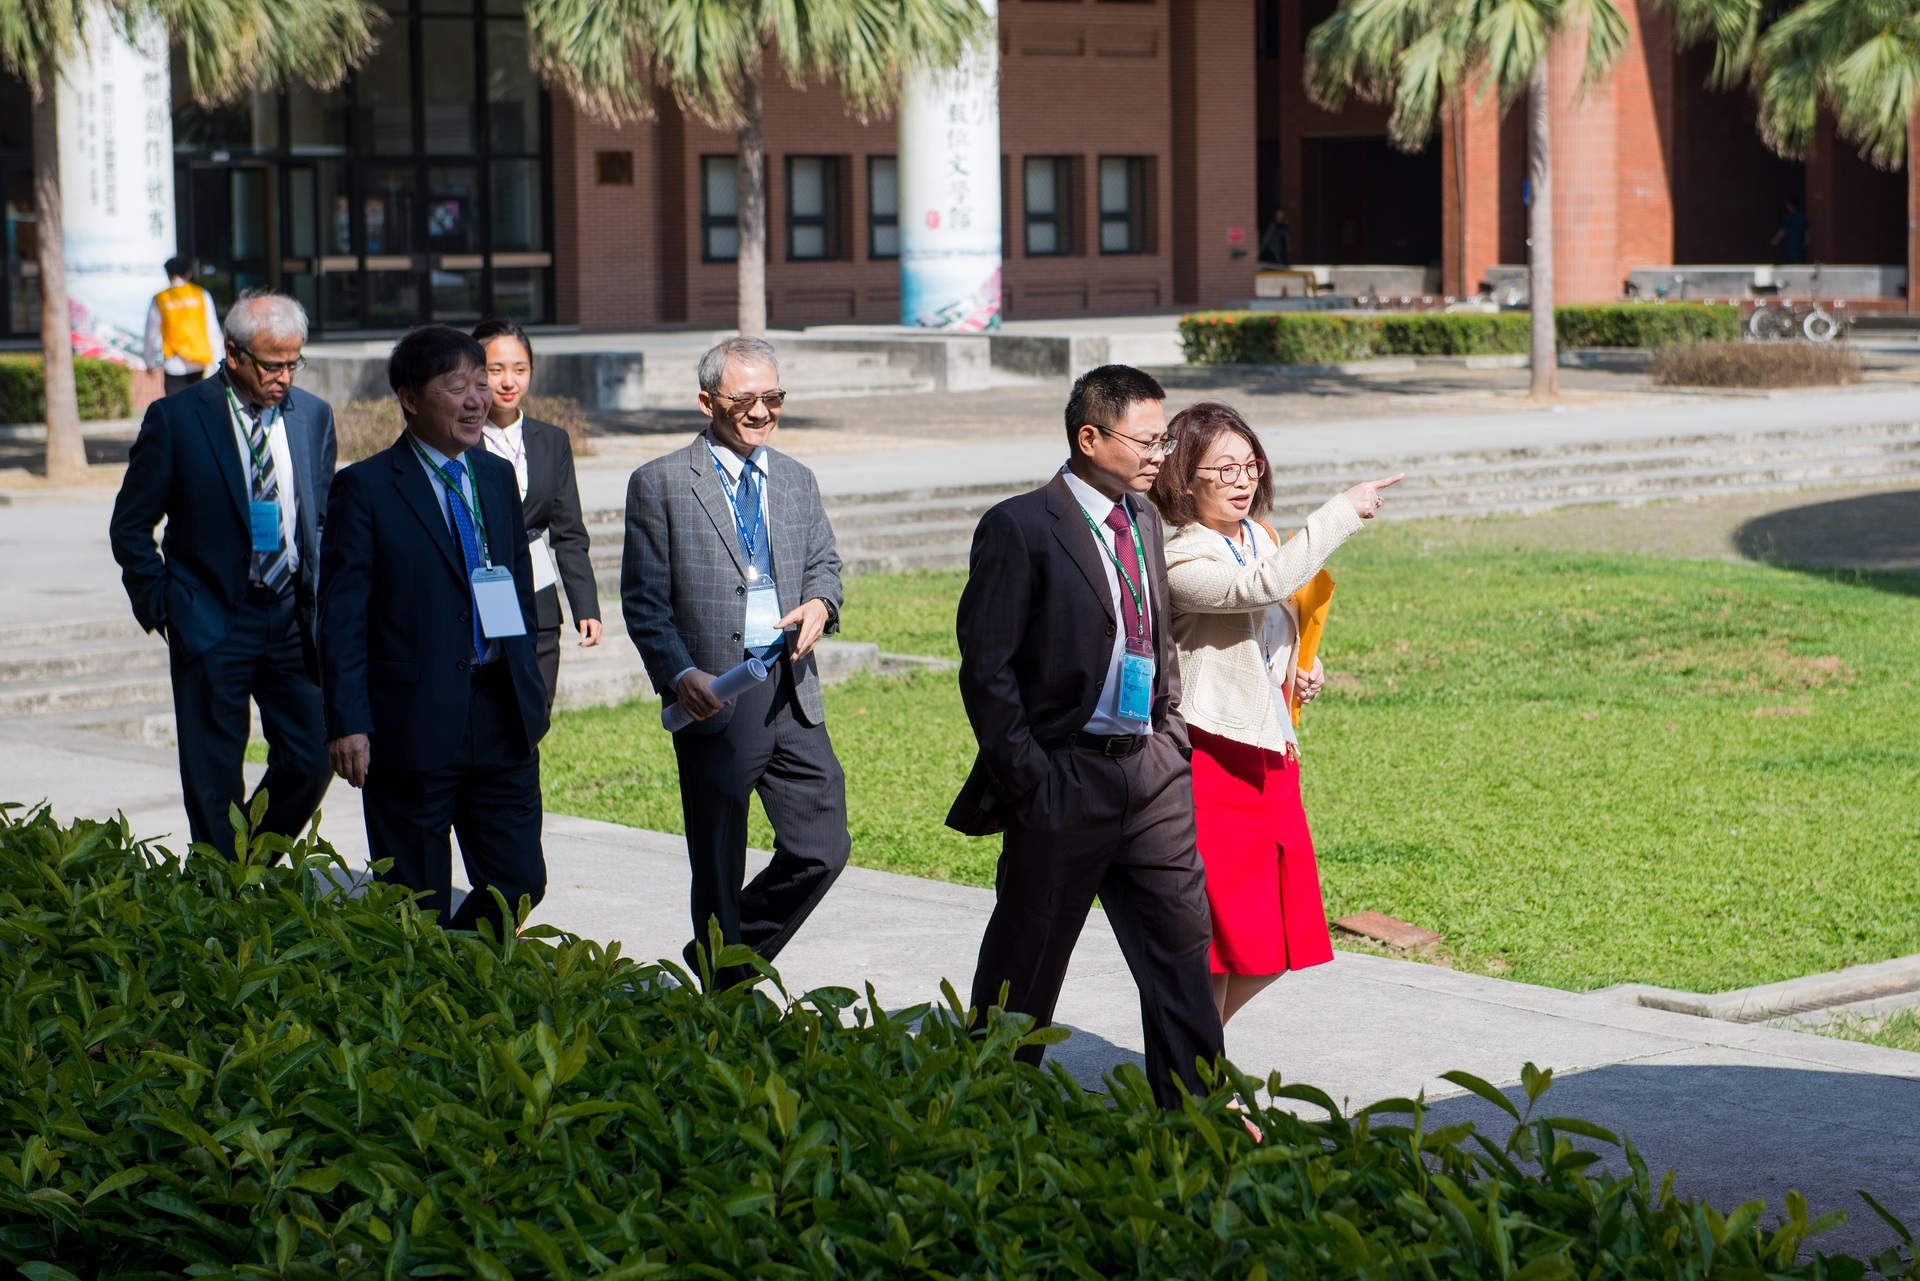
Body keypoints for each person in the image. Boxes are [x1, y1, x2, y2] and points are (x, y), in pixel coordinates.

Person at [948, 364, 1220, 1110]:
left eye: (1164, 437)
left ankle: (1197, 1121)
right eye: (1147, 439)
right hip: (1064, 774)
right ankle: (987, 1116)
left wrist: (1169, 738)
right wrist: (1031, 778)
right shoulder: (1021, 527)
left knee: (1180, 956)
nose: (1160, 453)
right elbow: (987, 670)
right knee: (1025, 963)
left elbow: (1157, 640)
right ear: (1089, 436)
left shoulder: (1145, 518)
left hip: (1150, 773)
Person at [1149, 401, 1398, 1040]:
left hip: (1271, 755)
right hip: (1213, 760)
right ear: (1185, 478)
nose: (1242, 479)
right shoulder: (1182, 559)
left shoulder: (1258, 536)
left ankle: (1192, 1053)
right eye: (1223, 468)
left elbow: (1264, 629)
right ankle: (1197, 1072)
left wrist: (1293, 673)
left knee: (1280, 937)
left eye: (1249, 464)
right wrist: (1342, 512)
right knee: (1222, 939)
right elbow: (1253, 591)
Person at [621, 336, 849, 990]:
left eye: (772, 398)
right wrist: (678, 674)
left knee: (822, 846)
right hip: (716, 691)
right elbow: (643, 600)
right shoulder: (661, 482)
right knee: (718, 860)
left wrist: (819, 605)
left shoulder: (797, 479)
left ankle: (722, 955)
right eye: (744, 399)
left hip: (791, 687)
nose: (761, 411)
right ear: (706, 401)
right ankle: (722, 998)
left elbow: (825, 566)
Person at [318, 326, 549, 936]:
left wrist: (532, 687)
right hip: (410, 722)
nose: (477, 399)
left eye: (481, 384)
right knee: (413, 901)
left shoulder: (496, 477)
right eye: (457, 386)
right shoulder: (364, 489)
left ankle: (458, 968)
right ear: (410, 398)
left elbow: (519, 588)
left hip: (500, 709)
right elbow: (341, 616)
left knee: (520, 882)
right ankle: (430, 1002)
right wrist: (347, 719)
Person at [110, 290, 334, 855]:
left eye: (293, 362)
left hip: (290, 618)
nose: (284, 376)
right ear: (232, 354)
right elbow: (131, 526)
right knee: (213, 778)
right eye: (272, 363)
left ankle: (247, 863)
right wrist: (164, 606)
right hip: (210, 616)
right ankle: (220, 896)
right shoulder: (178, 419)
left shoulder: (312, 416)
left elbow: (322, 517)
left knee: (312, 756)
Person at [472, 318, 602, 710]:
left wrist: (587, 607)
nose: (508, 381)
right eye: (495, 370)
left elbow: (569, 533)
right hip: (477, 591)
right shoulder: (458, 437)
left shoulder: (552, 441)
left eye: (520, 369)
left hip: (538, 598)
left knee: (535, 710)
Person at [142, 257, 224, 396]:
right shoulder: (201, 294)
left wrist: (149, 362)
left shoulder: (160, 298)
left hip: (174, 364)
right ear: (189, 273)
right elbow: (213, 331)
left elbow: (150, 333)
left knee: (176, 411)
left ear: (168, 274)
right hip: (200, 362)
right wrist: (218, 361)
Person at [1771, 201, 1808, 265]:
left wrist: (1775, 240)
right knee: (1798, 256)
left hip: (1791, 241)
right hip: (1800, 240)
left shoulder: (1789, 217)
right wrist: (1807, 240)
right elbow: (1806, 230)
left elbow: (1783, 231)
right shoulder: (1802, 216)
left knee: (1793, 258)